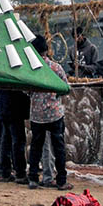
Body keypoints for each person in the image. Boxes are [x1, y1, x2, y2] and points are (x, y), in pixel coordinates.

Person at [27, 35, 71, 190]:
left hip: (37, 115)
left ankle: (33, 178)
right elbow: (66, 88)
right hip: (54, 113)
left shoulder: (30, 69)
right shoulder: (55, 67)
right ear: (46, 49)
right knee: (59, 147)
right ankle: (61, 180)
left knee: (36, 147)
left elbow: (26, 90)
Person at [0, 88, 29, 183]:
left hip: (3, 106)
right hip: (15, 107)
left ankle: (5, 172)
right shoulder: (14, 74)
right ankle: (20, 173)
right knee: (17, 141)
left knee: (5, 140)